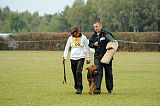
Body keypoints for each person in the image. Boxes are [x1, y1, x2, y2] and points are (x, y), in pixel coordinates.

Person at [89, 21, 116, 94]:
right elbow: (90, 44)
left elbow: (113, 42)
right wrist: (94, 44)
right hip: (97, 57)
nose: (95, 28)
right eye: (94, 27)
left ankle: (110, 89)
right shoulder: (94, 36)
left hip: (107, 56)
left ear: (101, 26)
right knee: (98, 73)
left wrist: (111, 41)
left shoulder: (106, 34)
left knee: (108, 73)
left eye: (96, 26)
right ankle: (97, 89)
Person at [63, 26, 90, 94]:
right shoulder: (70, 38)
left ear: (79, 32)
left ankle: (79, 88)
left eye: (77, 33)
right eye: (75, 33)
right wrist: (64, 57)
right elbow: (66, 48)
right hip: (72, 58)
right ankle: (76, 85)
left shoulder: (83, 38)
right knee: (74, 73)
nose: (76, 34)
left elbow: (87, 48)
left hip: (81, 57)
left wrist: (88, 58)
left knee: (78, 72)